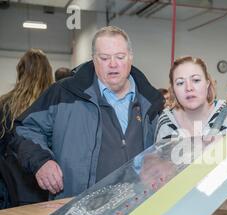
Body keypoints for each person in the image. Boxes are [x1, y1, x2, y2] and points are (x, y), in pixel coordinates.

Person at [12, 26, 164, 200]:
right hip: (75, 209)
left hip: (135, 208)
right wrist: (41, 161)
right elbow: (24, 130)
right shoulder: (64, 94)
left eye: (120, 57)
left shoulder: (151, 103)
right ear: (93, 59)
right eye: (104, 58)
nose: (113, 64)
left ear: (130, 57)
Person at [155, 56, 227, 215]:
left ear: (207, 83)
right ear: (173, 90)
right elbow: (159, 182)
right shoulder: (165, 125)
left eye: (196, 80)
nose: (188, 88)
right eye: (180, 82)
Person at [0, 49, 53, 208]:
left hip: (11, 189)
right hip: (46, 186)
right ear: (48, 72)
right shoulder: (53, 106)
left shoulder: (4, 104)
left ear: (20, 71)